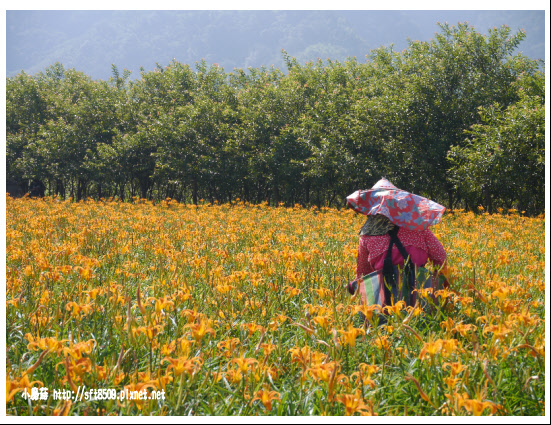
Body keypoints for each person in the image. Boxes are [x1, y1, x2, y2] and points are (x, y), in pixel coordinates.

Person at [346, 178, 447, 297]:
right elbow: (440, 257)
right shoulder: (418, 228)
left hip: (383, 297)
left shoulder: (367, 233)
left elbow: (363, 274)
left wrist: (353, 286)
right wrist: (438, 283)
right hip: (419, 294)